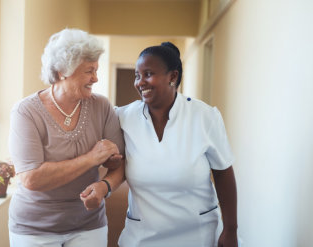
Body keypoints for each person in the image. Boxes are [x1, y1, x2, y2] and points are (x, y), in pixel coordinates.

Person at [81, 42, 238, 247]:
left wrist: (230, 229)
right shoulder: (122, 117)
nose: (140, 82)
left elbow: (224, 173)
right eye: (137, 76)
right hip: (143, 235)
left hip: (198, 233)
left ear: (172, 77)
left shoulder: (204, 117)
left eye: (148, 74)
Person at [8, 28, 125, 247]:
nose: (95, 78)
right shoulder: (26, 112)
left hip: (89, 224)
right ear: (63, 71)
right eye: (89, 71)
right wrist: (92, 158)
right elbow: (32, 179)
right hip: (34, 228)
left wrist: (105, 186)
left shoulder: (101, 106)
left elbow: (120, 163)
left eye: (96, 70)